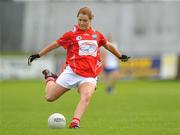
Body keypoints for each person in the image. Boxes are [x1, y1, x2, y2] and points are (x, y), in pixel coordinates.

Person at [28, 7, 130, 128]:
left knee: (86, 96)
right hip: (72, 72)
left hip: (89, 75)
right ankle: (50, 77)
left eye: (85, 20)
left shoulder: (97, 35)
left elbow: (108, 45)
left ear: (91, 20)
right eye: (80, 20)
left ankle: (75, 122)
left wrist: (120, 56)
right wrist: (38, 55)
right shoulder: (71, 34)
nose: (81, 23)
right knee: (49, 97)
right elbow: (55, 44)